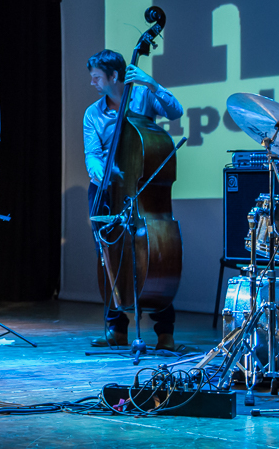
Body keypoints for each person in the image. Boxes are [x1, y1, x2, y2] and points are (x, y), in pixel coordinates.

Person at [83, 49, 184, 352]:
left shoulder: (142, 97)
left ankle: (165, 331)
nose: (93, 83)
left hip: (141, 192)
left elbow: (175, 111)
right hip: (105, 191)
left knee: (153, 256)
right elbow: (92, 152)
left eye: (97, 78)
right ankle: (117, 328)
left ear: (114, 77)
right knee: (109, 257)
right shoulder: (92, 113)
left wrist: (152, 84)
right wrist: (101, 171)